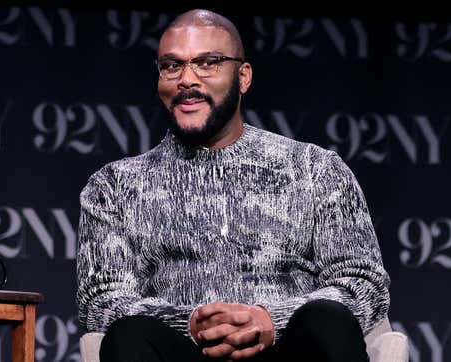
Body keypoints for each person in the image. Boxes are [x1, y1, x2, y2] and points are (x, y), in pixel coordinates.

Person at [77, 8, 390, 362]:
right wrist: (192, 323)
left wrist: (269, 319)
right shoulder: (114, 186)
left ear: (243, 77)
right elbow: (100, 302)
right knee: (129, 334)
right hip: (184, 353)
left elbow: (365, 286)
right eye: (171, 66)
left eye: (208, 62)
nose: (187, 79)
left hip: (288, 351)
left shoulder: (315, 170)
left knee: (328, 321)